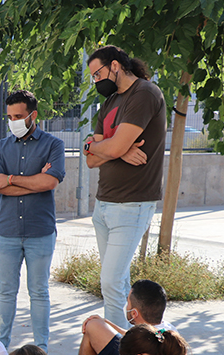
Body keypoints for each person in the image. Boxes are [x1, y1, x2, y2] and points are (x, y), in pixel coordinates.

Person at [84, 46, 167, 329]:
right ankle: (128, 350)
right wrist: (112, 149)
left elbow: (106, 147)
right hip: (104, 203)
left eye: (98, 74)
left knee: (110, 282)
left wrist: (108, 147)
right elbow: (91, 160)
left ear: (116, 66)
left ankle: (118, 354)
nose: (96, 81)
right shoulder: (109, 103)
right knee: (117, 285)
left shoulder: (144, 93)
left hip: (132, 204)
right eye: (92, 77)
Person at [0, 89, 66, 355]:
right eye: (9, 117)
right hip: (6, 231)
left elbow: (50, 183)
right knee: (6, 292)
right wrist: (33, 179)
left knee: (39, 291)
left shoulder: (53, 145)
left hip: (40, 231)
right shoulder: (1, 147)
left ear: (33, 115)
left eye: (19, 116)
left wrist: (11, 179)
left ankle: (42, 353)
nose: (13, 121)